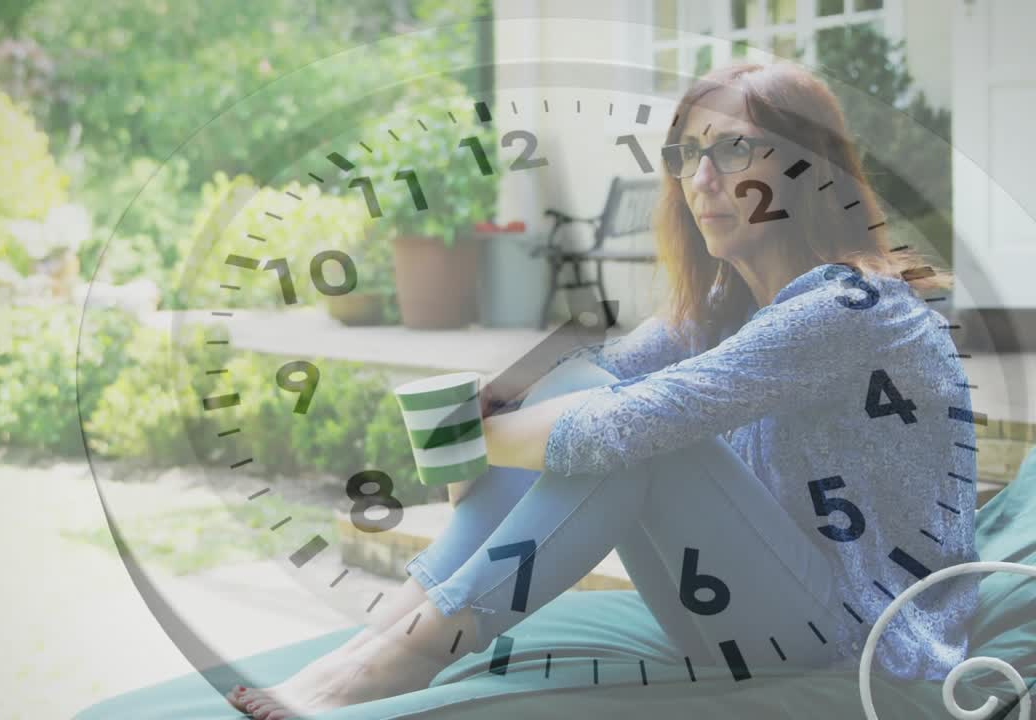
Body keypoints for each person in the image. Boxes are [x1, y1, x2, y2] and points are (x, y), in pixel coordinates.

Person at [228, 61, 980, 720]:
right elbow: (587, 383)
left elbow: (610, 429)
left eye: (734, 148)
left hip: (865, 643)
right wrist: (500, 416)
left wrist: (486, 437)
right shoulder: (724, 311)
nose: (703, 179)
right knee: (595, 398)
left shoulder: (850, 309)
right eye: (689, 153)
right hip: (738, 615)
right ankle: (386, 635)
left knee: (628, 432)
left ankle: (403, 656)